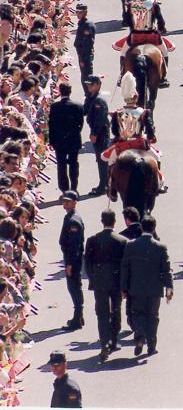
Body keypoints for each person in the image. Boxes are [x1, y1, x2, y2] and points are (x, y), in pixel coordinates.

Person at [120, 215, 173, 357]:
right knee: (153, 316)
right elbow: (166, 270)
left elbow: (125, 267)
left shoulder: (130, 245)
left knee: (138, 314)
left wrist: (123, 288)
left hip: (135, 288)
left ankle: (140, 337)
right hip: (155, 289)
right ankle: (152, 346)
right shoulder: (161, 247)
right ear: (154, 228)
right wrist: (169, 288)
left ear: (142, 227)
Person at [113, 0, 173, 87]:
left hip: (135, 36)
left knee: (123, 54)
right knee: (165, 53)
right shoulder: (153, 4)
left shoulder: (131, 5)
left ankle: (122, 75)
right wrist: (162, 28)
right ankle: (163, 77)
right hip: (152, 36)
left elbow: (128, 21)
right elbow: (160, 20)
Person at [101, 73, 162, 187]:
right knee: (156, 157)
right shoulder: (143, 112)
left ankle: (111, 187)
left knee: (110, 162)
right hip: (139, 143)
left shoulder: (117, 113)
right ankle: (159, 183)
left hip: (122, 144)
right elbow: (149, 130)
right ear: (136, 97)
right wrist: (151, 137)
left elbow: (114, 131)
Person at [84, 209, 128, 362]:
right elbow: (125, 265)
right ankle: (114, 340)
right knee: (116, 311)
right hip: (116, 282)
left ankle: (104, 343)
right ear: (114, 221)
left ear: (102, 221)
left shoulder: (92, 240)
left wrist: (93, 278)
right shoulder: (122, 241)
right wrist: (125, 285)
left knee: (102, 314)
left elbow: (87, 263)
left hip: (99, 282)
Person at [48, 83, 85, 194]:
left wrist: (52, 140)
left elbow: (51, 124)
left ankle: (64, 190)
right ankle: (74, 187)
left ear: (60, 91)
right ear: (70, 91)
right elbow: (80, 123)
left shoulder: (55, 107)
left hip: (59, 141)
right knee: (74, 163)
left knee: (61, 165)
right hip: (73, 140)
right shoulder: (78, 106)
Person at [59, 191, 85, 331]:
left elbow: (74, 245)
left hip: (73, 259)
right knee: (74, 287)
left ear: (75, 202)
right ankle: (78, 316)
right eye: (64, 201)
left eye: (68, 201)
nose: (65, 204)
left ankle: (78, 317)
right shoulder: (70, 217)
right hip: (71, 258)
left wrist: (69, 264)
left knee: (74, 287)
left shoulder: (73, 220)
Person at [84, 75, 110, 196]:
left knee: (102, 160)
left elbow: (100, 119)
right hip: (96, 131)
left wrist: (94, 134)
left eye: (91, 84)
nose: (89, 87)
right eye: (88, 84)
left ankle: (103, 186)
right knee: (100, 159)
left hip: (100, 133)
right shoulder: (91, 97)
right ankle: (105, 183)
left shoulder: (99, 100)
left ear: (98, 85)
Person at [73, 2, 95, 92]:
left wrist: (82, 59)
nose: (78, 14)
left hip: (85, 55)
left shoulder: (87, 25)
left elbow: (87, 44)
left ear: (85, 12)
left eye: (80, 12)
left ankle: (89, 93)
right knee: (84, 75)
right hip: (82, 54)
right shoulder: (82, 23)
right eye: (77, 12)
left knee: (86, 76)